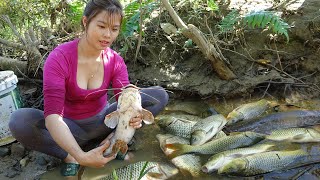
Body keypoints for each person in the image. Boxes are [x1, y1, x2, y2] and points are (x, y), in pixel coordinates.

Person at [9, 0, 169, 177]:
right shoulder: (59, 58)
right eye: (101, 26)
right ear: (85, 22)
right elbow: (53, 117)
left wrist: (135, 115)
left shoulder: (115, 60)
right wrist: (81, 156)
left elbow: (123, 98)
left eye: (114, 29)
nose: (108, 35)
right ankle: (69, 156)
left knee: (158, 95)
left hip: (103, 122)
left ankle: (112, 142)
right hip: (70, 128)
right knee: (19, 120)